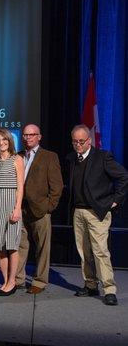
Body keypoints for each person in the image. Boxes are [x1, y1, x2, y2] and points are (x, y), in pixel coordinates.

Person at [66, 124, 128, 306]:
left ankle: (109, 289)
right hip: (78, 211)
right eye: (75, 141)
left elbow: (124, 176)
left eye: (81, 141)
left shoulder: (102, 157)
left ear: (89, 141)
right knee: (84, 251)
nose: (78, 145)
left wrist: (115, 201)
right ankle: (90, 284)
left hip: (98, 212)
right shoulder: (71, 158)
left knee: (100, 251)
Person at [16, 124, 63, 294]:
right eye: (25, 135)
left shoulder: (49, 157)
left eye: (32, 135)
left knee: (42, 248)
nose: (28, 138)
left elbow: (57, 187)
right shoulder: (19, 156)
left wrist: (48, 207)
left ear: (39, 137)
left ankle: (39, 281)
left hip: (40, 210)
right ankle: (18, 279)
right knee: (20, 246)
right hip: (21, 209)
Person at [0, 129, 24, 296]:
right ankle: (5, 281)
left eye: (4, 139)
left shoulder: (17, 159)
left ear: (9, 140)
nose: (1, 142)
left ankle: (12, 282)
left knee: (12, 245)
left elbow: (21, 186)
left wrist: (17, 208)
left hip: (12, 201)